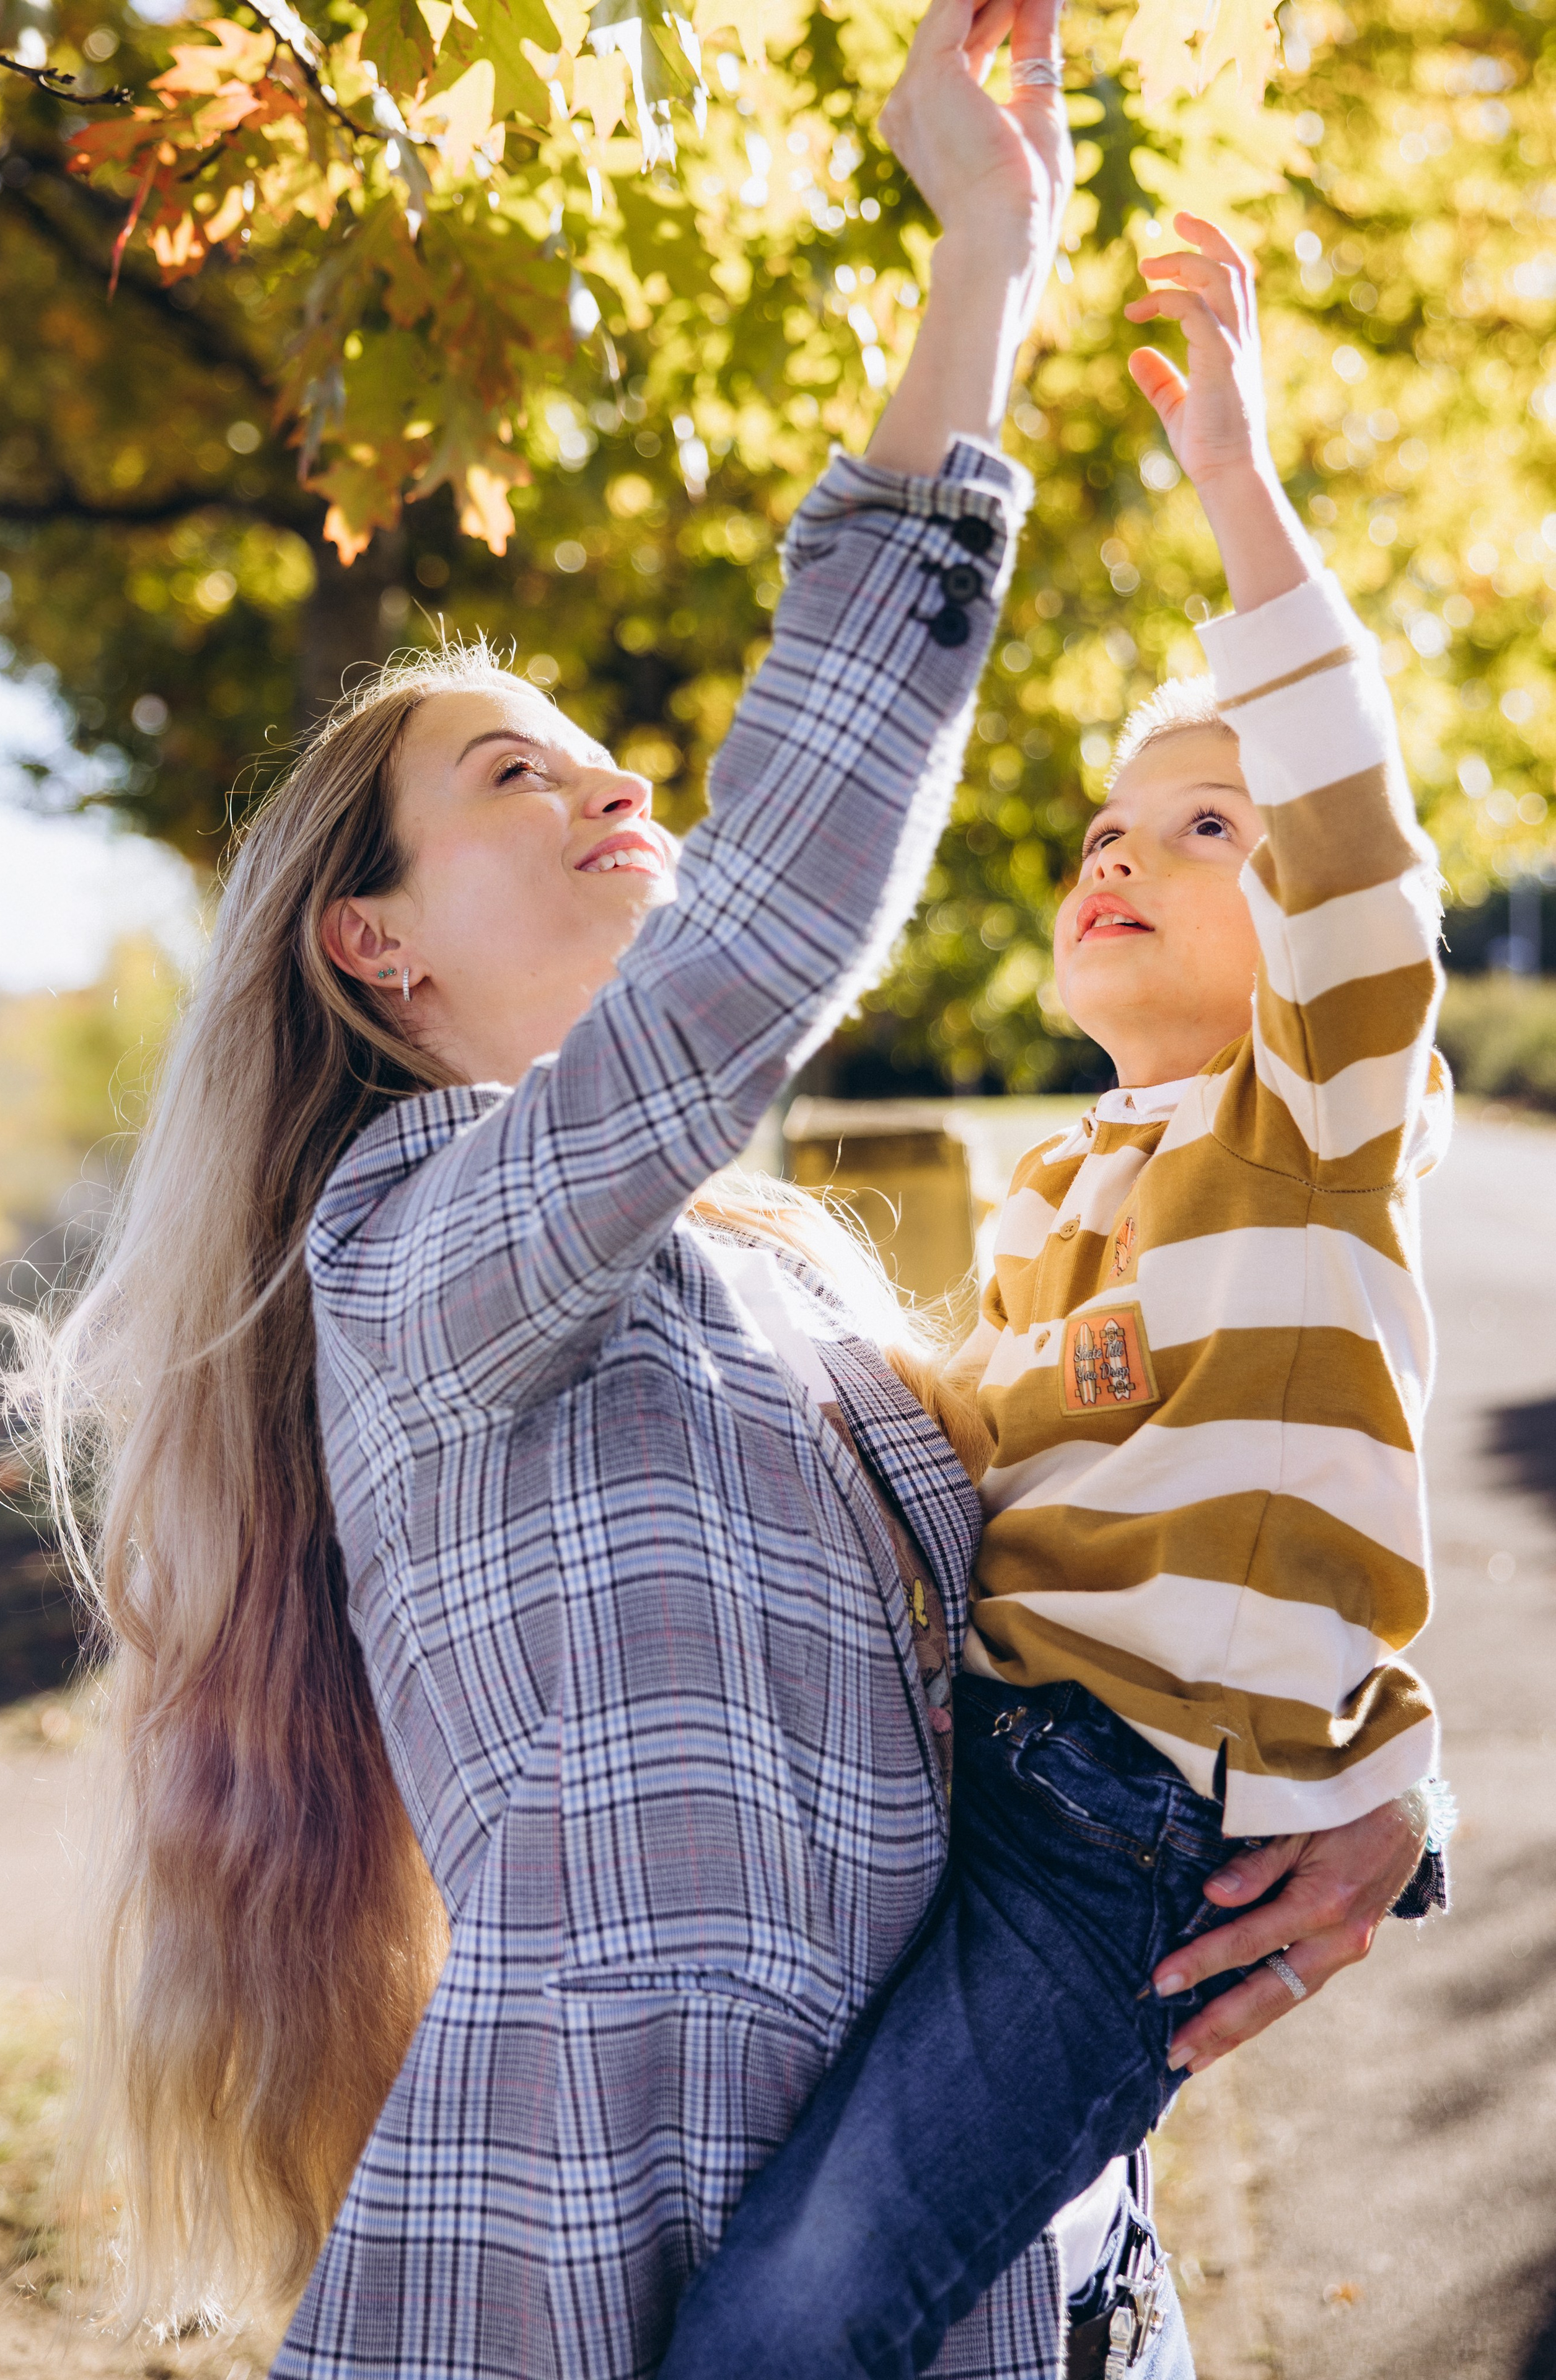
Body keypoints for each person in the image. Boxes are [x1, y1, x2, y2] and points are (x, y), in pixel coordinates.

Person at [0, 2, 1115, 2371]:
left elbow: (1081, 1664)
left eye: (612, 763)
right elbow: (762, 937)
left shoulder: (792, 1283)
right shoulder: (406, 1247)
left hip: (1001, 2257)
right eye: (517, 774)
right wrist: (982, 276)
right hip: (613, 2263)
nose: (622, 791)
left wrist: (1342, 1803)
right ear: (369, 942)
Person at [656, 214, 1454, 2380]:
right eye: (1112, 826)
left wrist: (1240, 489)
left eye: (1206, 828)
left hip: (1124, 1827)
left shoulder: (1317, 1113)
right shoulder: (1062, 1180)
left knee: (798, 2319)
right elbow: (968, 1452)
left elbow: (1357, 836)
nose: (1124, 851)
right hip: (983, 1768)